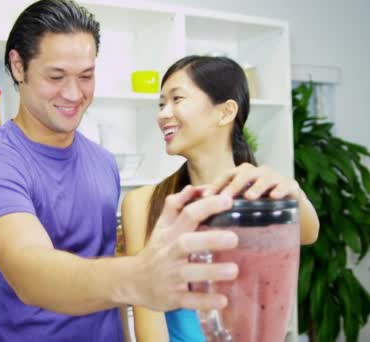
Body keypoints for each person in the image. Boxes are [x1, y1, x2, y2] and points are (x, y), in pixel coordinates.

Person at [0, 1, 242, 341]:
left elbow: (112, 294)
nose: (74, 93)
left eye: (86, 76)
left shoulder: (103, 164)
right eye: (56, 76)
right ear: (18, 67)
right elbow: (32, 274)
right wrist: (139, 277)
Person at [121, 55, 321, 341]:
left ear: (225, 112)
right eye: (161, 104)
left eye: (177, 99)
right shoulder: (144, 204)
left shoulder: (261, 194)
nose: (164, 113)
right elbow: (148, 321)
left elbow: (309, 231)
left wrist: (291, 189)